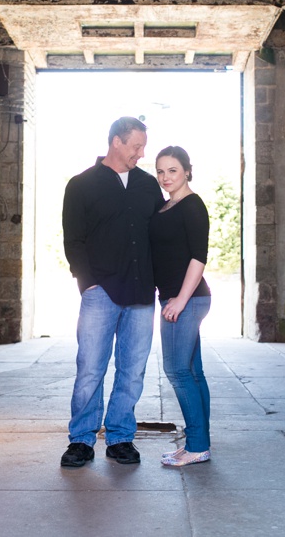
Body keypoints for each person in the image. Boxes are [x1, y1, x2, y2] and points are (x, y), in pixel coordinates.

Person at [60, 117, 165, 467]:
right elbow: (73, 240)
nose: (141, 152)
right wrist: (88, 284)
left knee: (132, 370)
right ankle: (82, 440)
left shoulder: (149, 185)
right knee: (90, 367)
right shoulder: (81, 185)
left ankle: (120, 437)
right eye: (136, 145)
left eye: (143, 146)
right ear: (116, 142)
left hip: (140, 291)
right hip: (100, 292)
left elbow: (160, 236)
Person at [150, 146, 212, 467]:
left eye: (172, 170)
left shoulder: (192, 205)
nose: (165, 177)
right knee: (193, 372)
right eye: (160, 171)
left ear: (187, 170)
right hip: (177, 298)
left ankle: (198, 445)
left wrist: (179, 300)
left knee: (176, 370)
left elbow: (198, 257)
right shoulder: (165, 207)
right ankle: (199, 442)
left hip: (187, 299)